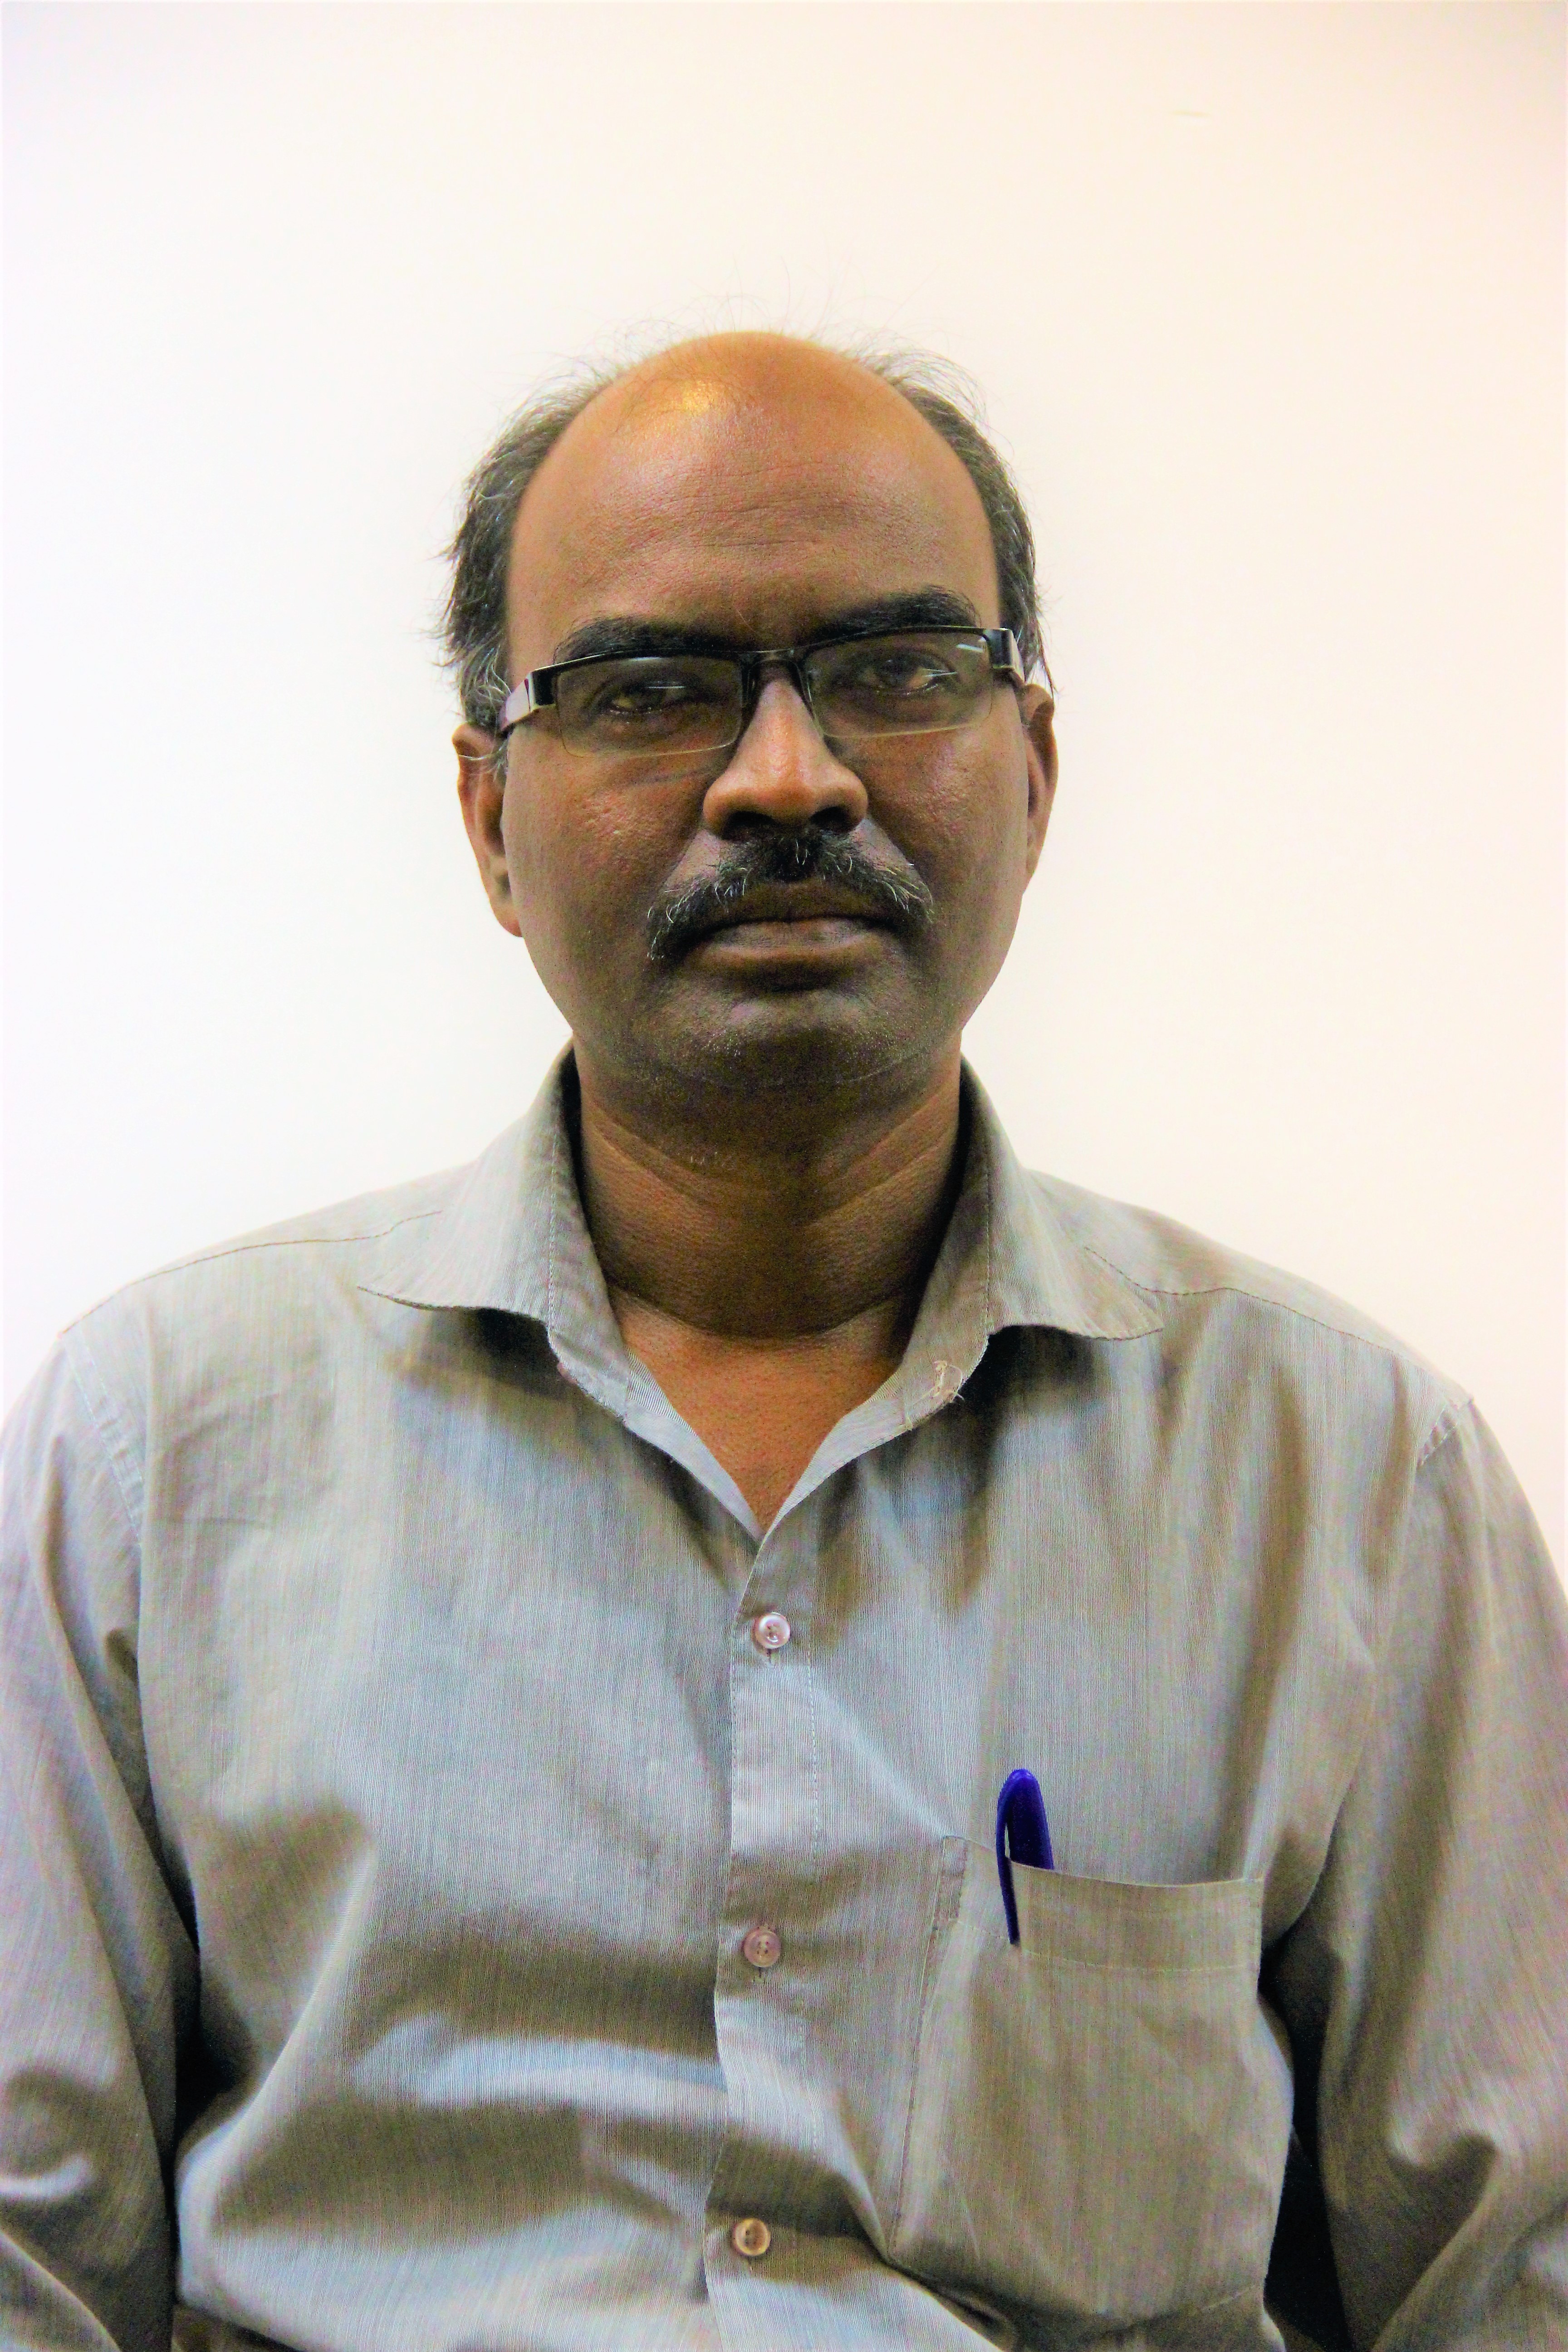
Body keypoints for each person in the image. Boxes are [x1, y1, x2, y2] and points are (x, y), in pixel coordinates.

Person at [2, 332, 1564, 2352]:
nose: (787, 777)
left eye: (896, 671)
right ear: (490, 819)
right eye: (650, 692)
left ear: (1035, 772)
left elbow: (1516, 2278)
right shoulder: (161, 1451)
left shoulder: (1341, 1481)